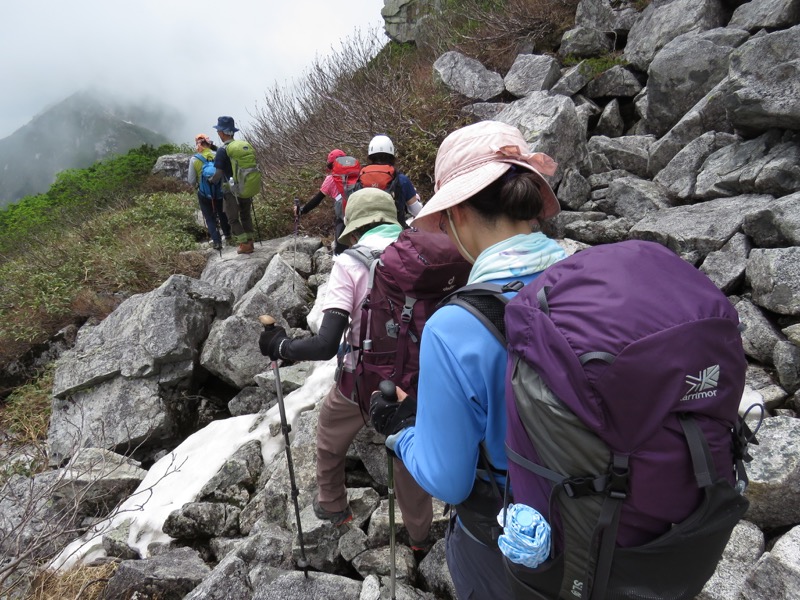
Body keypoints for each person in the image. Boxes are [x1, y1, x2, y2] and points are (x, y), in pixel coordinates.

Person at [369, 120, 567, 600]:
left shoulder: (455, 327)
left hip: (519, 547)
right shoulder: (588, 271)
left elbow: (449, 480)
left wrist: (400, 426)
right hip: (621, 522)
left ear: (457, 212)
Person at [259, 187, 434, 549]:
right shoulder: (424, 252)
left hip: (362, 379)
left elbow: (325, 344)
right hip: (421, 378)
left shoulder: (350, 263)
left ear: (354, 229)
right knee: (407, 450)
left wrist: (280, 345)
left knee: (329, 433)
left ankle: (334, 506)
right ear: (393, 217)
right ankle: (419, 536)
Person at [209, 116, 256, 254]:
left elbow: (218, 173)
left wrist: (211, 180)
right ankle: (250, 241)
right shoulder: (239, 147)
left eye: (218, 131)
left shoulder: (222, 150)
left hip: (230, 189)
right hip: (245, 185)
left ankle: (244, 244)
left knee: (232, 218)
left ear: (222, 132)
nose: (218, 133)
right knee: (246, 214)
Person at [295, 148, 351, 255]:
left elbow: (317, 200)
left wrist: (301, 210)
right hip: (361, 210)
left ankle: (341, 259)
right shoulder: (356, 173)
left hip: (344, 215)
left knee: (341, 249)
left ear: (331, 165)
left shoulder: (331, 179)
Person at [363, 134, 423, 225]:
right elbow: (417, 211)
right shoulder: (401, 180)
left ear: (370, 157)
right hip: (395, 231)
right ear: (392, 156)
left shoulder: (361, 179)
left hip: (365, 233)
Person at [187, 133, 231, 251]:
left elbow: (191, 180)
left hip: (204, 193)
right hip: (220, 191)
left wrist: (198, 184)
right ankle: (228, 236)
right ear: (209, 143)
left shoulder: (194, 159)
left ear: (197, 144)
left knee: (209, 218)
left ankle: (217, 242)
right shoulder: (218, 154)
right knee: (222, 214)